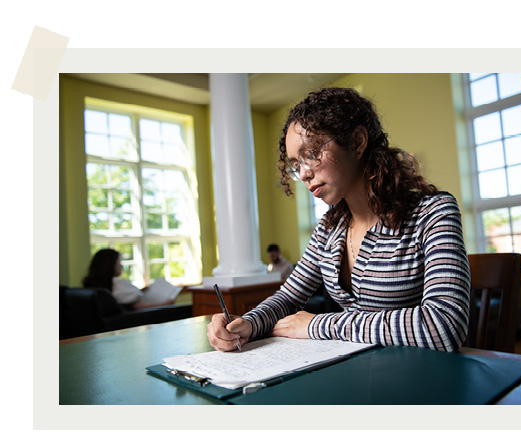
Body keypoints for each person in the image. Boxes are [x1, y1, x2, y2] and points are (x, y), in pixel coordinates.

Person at [207, 87, 470, 353]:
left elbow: (444, 325)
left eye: (311, 154)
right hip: (356, 372)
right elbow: (288, 297)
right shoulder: (329, 229)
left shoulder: (433, 212)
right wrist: (247, 324)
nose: (305, 174)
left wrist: (317, 325)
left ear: (356, 142)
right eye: (296, 165)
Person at [83, 248, 176, 309]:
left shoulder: (92, 285)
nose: (121, 265)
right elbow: (139, 306)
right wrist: (166, 303)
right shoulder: (117, 284)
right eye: (119, 262)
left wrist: (140, 291)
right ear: (111, 265)